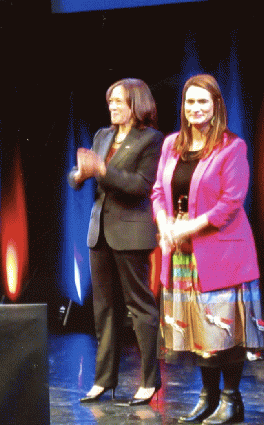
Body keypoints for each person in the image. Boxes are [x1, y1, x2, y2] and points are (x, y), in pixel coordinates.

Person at [152, 74, 264, 424]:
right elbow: (158, 191)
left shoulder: (233, 147)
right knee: (196, 330)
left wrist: (189, 226)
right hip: (181, 252)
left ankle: (231, 401)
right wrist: (164, 224)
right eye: (190, 102)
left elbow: (231, 203)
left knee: (222, 330)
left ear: (216, 106)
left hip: (221, 252)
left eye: (203, 101)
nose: (195, 108)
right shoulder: (172, 144)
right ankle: (208, 397)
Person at [68, 78, 163, 405]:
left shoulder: (151, 140)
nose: (113, 107)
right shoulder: (102, 135)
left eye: (119, 102)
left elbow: (141, 185)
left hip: (132, 232)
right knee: (103, 309)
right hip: (101, 231)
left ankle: (150, 380)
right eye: (111, 102)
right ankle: (103, 380)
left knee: (139, 306)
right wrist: (80, 175)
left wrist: (102, 169)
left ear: (137, 104)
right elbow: (82, 174)